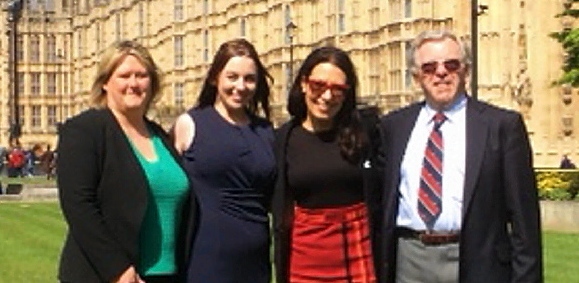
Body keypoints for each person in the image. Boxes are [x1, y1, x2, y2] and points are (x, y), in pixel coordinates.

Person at [379, 30, 543, 283]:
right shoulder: (394, 126)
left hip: (477, 261)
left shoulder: (501, 126)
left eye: (451, 64)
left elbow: (525, 222)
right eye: (429, 67)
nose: (441, 72)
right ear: (416, 76)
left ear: (466, 70)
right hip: (409, 259)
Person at [57, 40, 197, 283]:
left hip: (167, 273)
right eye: (124, 75)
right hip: (110, 276)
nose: (133, 83)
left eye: (142, 75)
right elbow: (79, 206)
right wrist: (119, 271)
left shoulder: (160, 135)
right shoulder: (84, 130)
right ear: (105, 83)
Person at [272, 46, 384, 283]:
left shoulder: (367, 131)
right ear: (303, 83)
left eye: (338, 89)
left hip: (357, 250)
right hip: (305, 256)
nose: (327, 96)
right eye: (318, 85)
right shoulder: (283, 139)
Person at [171, 38, 276, 283]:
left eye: (249, 78)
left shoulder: (266, 131)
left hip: (256, 262)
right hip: (206, 258)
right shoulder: (190, 124)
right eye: (232, 77)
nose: (240, 86)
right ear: (214, 78)